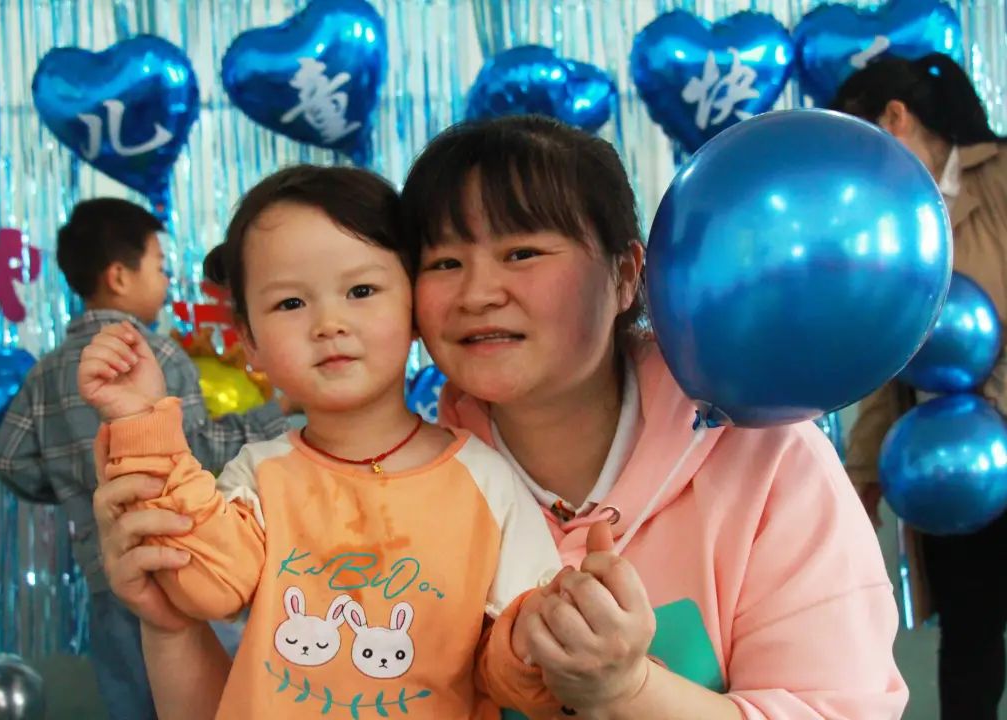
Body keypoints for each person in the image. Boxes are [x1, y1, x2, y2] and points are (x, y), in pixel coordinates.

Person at [92, 116, 908, 719]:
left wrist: (629, 690)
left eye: (522, 252)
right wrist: (168, 629)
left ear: (626, 275)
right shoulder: (397, 482)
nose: (479, 292)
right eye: (445, 261)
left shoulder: (768, 464)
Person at [77, 165, 563, 718]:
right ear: (250, 340)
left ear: (414, 308)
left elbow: (522, 668)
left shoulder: (484, 479)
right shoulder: (258, 477)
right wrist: (141, 421)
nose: (329, 323)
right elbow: (205, 584)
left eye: (361, 291)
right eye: (291, 303)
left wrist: (540, 639)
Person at [0, 198, 294, 720]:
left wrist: (75, 486)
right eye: (160, 268)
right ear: (119, 277)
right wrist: (276, 412)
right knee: (214, 700)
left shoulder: (47, 371)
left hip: (108, 576)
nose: (168, 283)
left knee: (129, 704)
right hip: (184, 565)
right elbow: (197, 451)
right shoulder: (158, 355)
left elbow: (7, 459)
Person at [834, 52, 1007, 720]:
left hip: (997, 437)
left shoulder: (998, 178)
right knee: (969, 634)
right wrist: (863, 470)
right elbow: (889, 350)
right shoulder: (892, 217)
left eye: (864, 143)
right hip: (944, 469)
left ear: (895, 118)